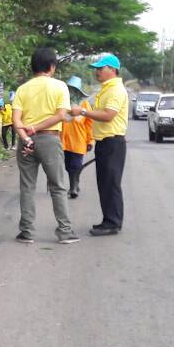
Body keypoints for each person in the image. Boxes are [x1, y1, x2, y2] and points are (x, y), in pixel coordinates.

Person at [11, 48, 79, 244]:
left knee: (27, 186)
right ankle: (64, 232)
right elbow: (61, 115)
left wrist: (27, 138)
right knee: (57, 186)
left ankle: (26, 232)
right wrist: (35, 128)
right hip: (50, 140)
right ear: (51, 66)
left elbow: (16, 121)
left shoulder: (22, 89)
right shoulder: (60, 87)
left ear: (33, 67)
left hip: (26, 142)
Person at [71, 53, 128, 236]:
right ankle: (108, 220)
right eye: (96, 69)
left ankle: (113, 223)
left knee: (110, 183)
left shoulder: (115, 90)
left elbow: (108, 115)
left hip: (113, 142)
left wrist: (83, 112)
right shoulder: (106, 89)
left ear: (112, 69)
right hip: (104, 142)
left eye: (100, 68)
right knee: (104, 183)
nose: (97, 72)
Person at [61, 76, 93, 199]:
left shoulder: (84, 105)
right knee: (68, 166)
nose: (72, 92)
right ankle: (75, 184)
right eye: (70, 89)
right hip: (64, 141)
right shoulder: (62, 104)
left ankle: (73, 187)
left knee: (75, 165)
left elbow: (89, 124)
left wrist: (90, 140)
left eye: (74, 90)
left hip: (79, 140)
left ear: (79, 92)